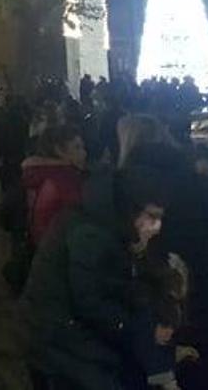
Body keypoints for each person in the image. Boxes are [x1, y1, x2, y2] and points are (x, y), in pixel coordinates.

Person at [23, 167, 170, 390]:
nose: (156, 227)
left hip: (60, 335)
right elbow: (91, 302)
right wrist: (141, 332)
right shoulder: (92, 234)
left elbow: (118, 289)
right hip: (61, 343)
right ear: (130, 210)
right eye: (151, 216)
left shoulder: (103, 222)